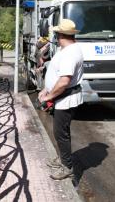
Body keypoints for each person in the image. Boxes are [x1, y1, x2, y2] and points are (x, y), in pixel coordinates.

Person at [38, 18, 83, 180]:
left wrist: (48, 97)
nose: (55, 35)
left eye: (56, 33)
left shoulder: (70, 53)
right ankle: (64, 158)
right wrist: (46, 89)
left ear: (60, 34)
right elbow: (56, 73)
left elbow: (64, 81)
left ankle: (67, 166)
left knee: (60, 133)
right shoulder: (65, 49)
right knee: (62, 132)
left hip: (66, 99)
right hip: (62, 98)